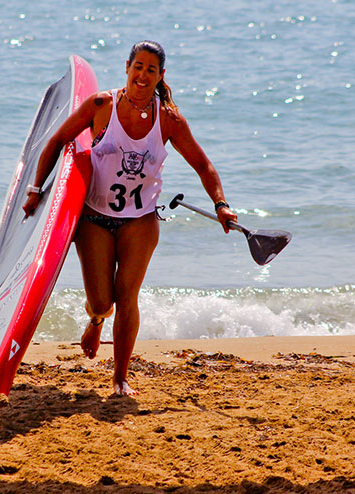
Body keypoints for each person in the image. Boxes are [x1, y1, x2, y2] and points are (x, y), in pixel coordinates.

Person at [22, 40, 238, 396]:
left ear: (161, 75)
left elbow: (203, 165)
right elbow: (57, 141)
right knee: (102, 302)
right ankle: (95, 320)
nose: (143, 75)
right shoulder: (101, 105)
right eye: (138, 66)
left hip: (140, 220)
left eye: (151, 69)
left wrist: (221, 204)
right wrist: (35, 191)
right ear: (127, 67)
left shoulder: (168, 120)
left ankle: (120, 377)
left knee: (127, 297)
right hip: (94, 217)